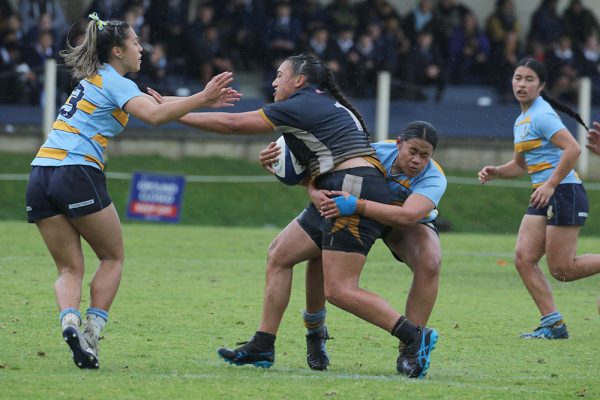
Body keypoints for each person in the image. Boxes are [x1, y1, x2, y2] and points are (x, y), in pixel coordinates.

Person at [148, 54, 438, 378]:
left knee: (340, 289)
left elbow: (232, 124)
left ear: (299, 81)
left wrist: (176, 112)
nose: (274, 82)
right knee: (279, 255)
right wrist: (171, 103)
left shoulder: (302, 104)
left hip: (352, 190)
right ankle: (263, 344)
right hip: (340, 186)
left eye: (279, 74)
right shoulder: (325, 106)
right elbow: (319, 160)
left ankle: (414, 336)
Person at [25, 12, 239, 369]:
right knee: (113, 257)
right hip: (76, 170)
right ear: (118, 51)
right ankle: (91, 333)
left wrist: (202, 101)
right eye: (136, 42)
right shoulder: (116, 81)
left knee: (69, 270)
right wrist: (202, 96)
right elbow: (154, 116)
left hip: (40, 174)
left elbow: (151, 102)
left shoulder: (97, 78)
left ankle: (69, 321)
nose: (142, 47)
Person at [258, 120, 446, 371]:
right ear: (399, 144)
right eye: (413, 151)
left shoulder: (434, 178)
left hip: (402, 224)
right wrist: (311, 190)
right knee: (311, 251)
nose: (417, 161)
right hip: (358, 210)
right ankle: (315, 333)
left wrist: (357, 205)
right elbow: (321, 172)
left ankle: (411, 349)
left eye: (425, 156)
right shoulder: (372, 152)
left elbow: (407, 217)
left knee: (430, 263)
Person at [477, 57, 600, 339]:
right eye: (518, 78)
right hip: (544, 194)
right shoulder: (522, 120)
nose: (522, 84)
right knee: (523, 257)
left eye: (529, 79)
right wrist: (497, 171)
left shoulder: (542, 115)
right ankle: (553, 324)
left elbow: (573, 150)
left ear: (541, 86)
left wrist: (550, 184)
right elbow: (521, 165)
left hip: (564, 192)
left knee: (562, 270)